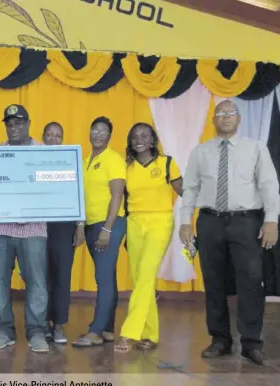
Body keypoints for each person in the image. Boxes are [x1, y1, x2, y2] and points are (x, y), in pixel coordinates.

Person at [179, 100, 280, 366]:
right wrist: (185, 221)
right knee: (213, 282)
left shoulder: (255, 149)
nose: (225, 117)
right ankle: (220, 340)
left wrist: (271, 220)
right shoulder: (200, 152)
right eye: (220, 113)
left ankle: (251, 343)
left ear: (239, 119)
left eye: (230, 113)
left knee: (251, 281)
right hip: (210, 221)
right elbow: (189, 188)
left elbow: (269, 185)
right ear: (213, 120)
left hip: (246, 222)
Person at [0, 104, 49, 353]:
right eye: (9, 124)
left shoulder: (43, 153)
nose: (13, 128)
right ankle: (3, 330)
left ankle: (36, 332)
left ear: (28, 124)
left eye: (18, 123)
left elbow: (52, 190)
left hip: (32, 228)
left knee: (36, 282)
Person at [114, 123, 183, 353]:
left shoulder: (167, 163)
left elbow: (186, 192)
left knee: (145, 276)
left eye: (144, 135)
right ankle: (150, 334)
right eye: (134, 137)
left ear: (152, 139)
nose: (139, 140)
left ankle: (129, 332)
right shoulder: (127, 167)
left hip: (160, 223)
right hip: (134, 224)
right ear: (130, 142)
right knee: (140, 280)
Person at [73, 117, 126, 347]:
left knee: (102, 278)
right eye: (94, 129)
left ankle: (95, 331)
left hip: (109, 225)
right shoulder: (86, 161)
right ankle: (107, 330)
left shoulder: (113, 159)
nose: (97, 134)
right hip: (92, 224)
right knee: (107, 278)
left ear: (109, 136)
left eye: (103, 131)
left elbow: (117, 195)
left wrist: (107, 228)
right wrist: (81, 226)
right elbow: (82, 198)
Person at [42, 122, 85, 344]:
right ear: (42, 137)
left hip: (64, 226)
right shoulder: (33, 161)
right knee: (41, 277)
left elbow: (79, 195)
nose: (52, 139)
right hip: (38, 225)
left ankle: (58, 325)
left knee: (61, 276)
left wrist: (79, 225)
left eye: (57, 136)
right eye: (48, 135)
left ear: (63, 139)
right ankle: (43, 324)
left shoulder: (71, 162)